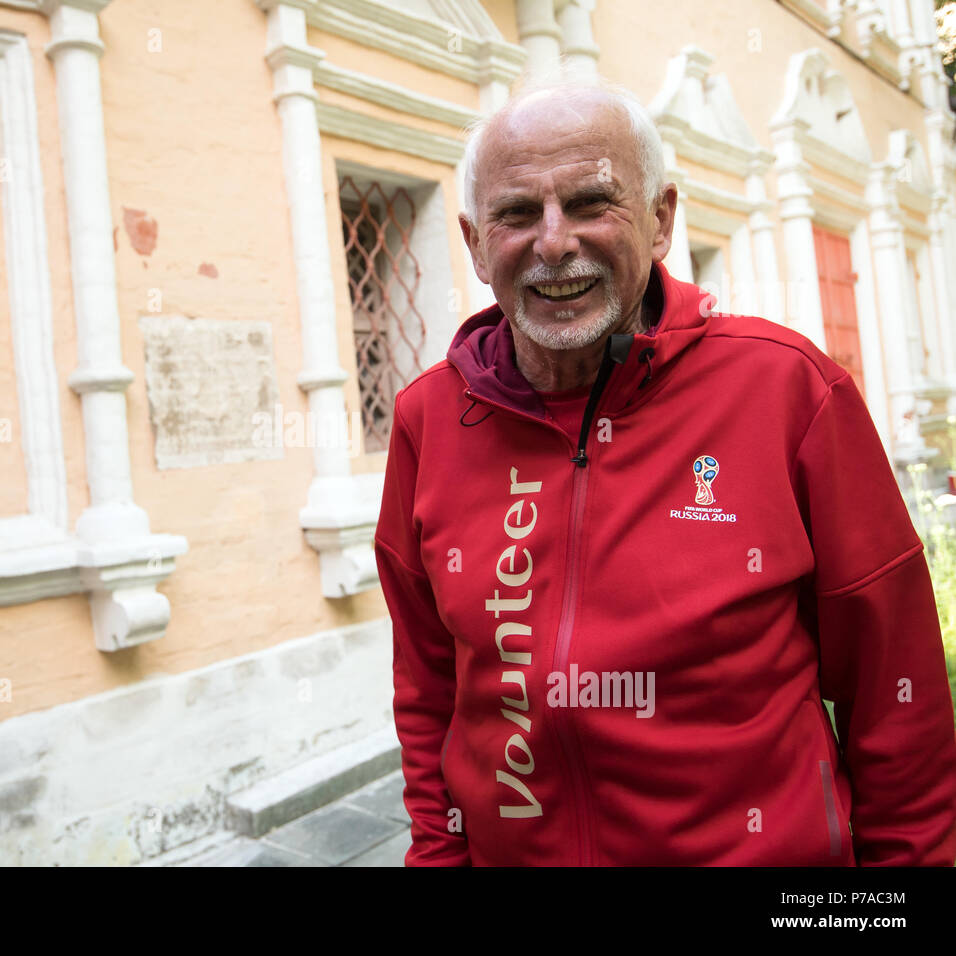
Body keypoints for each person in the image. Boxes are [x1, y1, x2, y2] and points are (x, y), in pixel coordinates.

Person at [374, 69, 956, 866]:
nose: (553, 241)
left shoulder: (789, 389)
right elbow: (429, 693)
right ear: (476, 245)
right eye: (516, 213)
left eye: (590, 202)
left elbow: (899, 699)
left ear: (659, 221)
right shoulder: (427, 420)